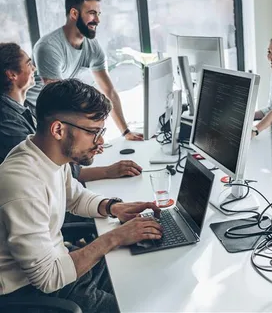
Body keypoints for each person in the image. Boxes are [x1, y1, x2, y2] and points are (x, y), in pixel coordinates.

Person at [0, 78, 163, 313]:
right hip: (37, 291)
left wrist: (112, 207)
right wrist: (114, 237)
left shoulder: (47, 156)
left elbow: (73, 196)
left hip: (64, 265)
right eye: (93, 132)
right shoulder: (21, 183)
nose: (100, 142)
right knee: (146, 306)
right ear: (58, 129)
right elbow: (47, 278)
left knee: (150, 276)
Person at [0, 42, 142, 180]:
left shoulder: (24, 108)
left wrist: (83, 146)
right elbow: (42, 166)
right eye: (29, 64)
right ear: (12, 74)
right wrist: (107, 171)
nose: (35, 69)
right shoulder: (6, 120)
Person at [28, 0, 143, 141]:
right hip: (36, 116)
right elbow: (57, 98)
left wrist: (125, 132)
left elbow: (108, 90)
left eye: (98, 14)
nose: (98, 20)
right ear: (74, 14)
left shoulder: (92, 46)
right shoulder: (49, 47)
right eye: (92, 13)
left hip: (61, 114)